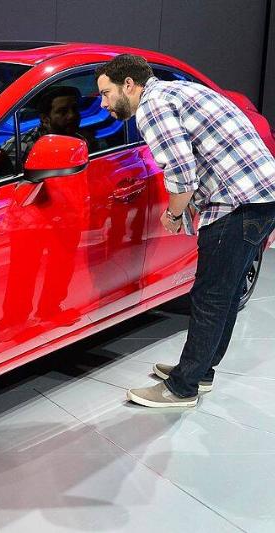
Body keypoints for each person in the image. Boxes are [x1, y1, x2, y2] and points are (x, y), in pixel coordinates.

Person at [95, 54, 275, 408]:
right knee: (224, 294)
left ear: (128, 85)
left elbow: (181, 172)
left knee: (210, 297)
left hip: (235, 203)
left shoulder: (152, 107)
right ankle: (201, 370)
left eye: (105, 93)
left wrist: (173, 215)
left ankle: (182, 387)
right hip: (263, 196)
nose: (102, 104)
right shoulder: (180, 91)